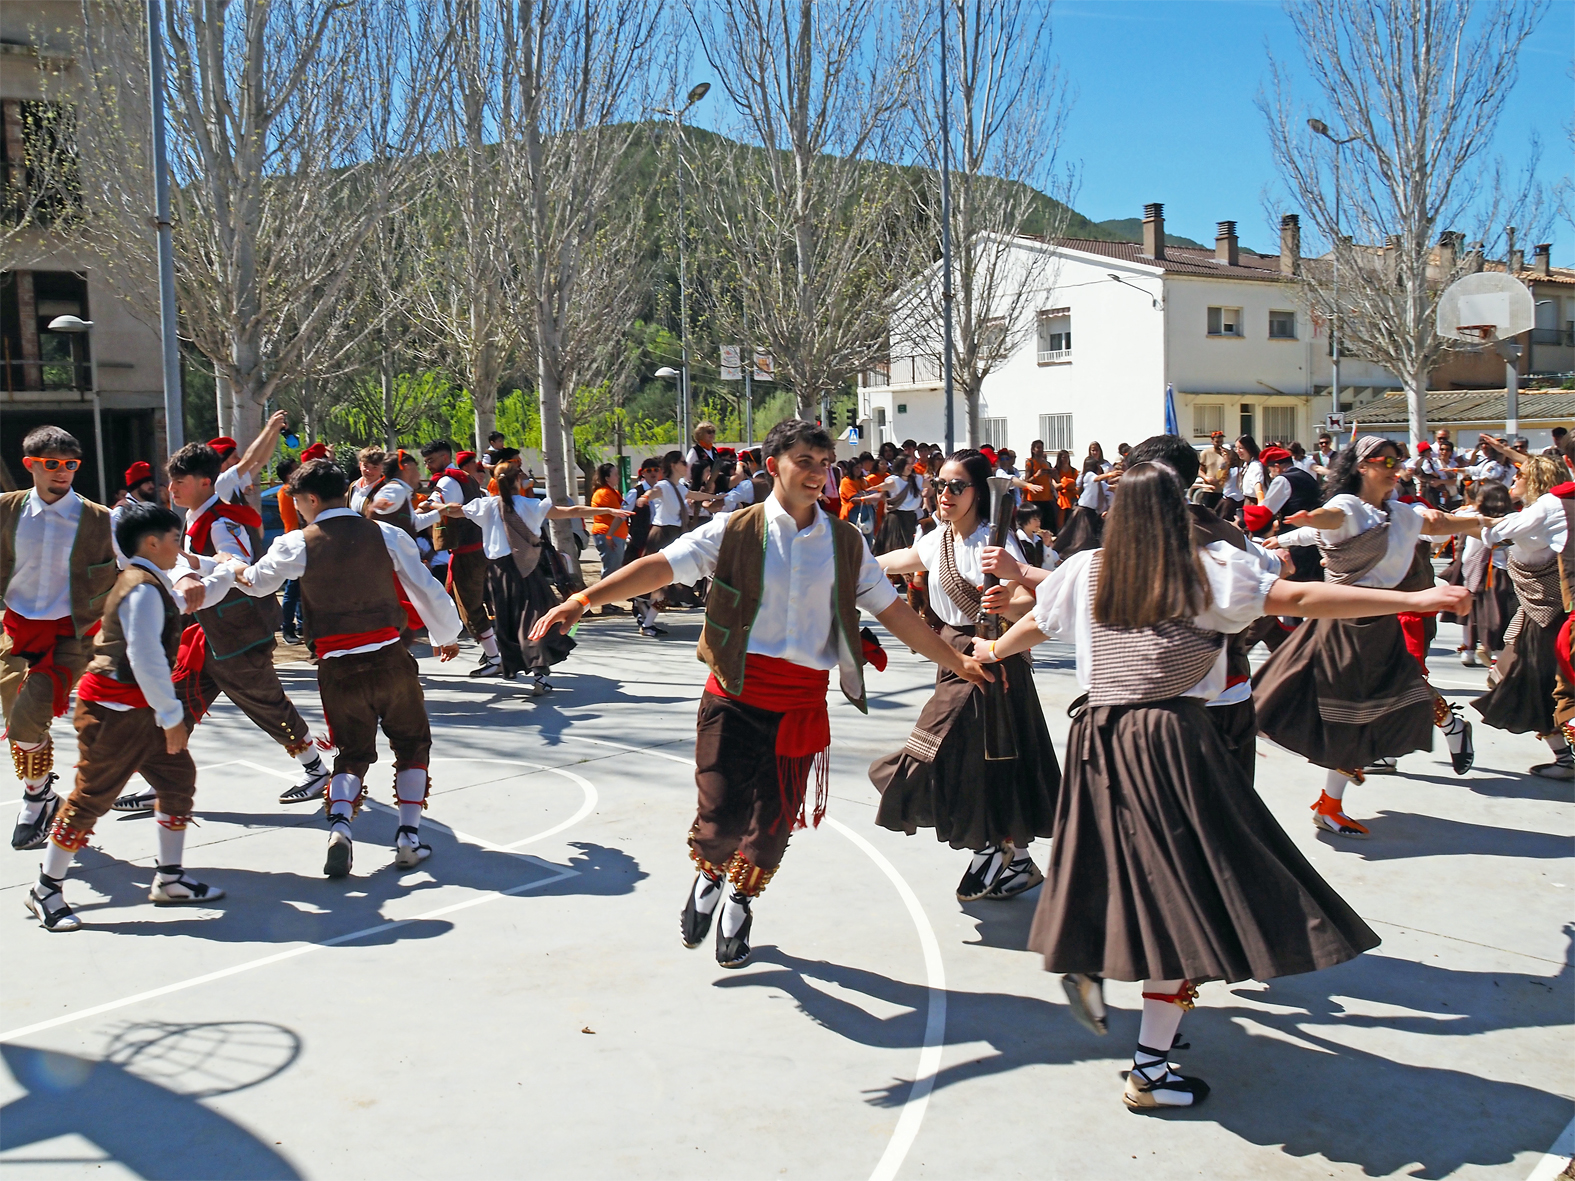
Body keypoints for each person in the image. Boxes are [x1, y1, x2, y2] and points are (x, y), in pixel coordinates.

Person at [971, 460, 1468, 1111]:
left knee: (1118, 869)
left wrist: (990, 651)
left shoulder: (1088, 568)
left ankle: (1093, 963)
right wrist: (1413, 600)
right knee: (1191, 898)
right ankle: (1148, 1069)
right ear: (1176, 509)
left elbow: (1039, 622)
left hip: (1095, 737)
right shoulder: (1203, 567)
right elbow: (1302, 600)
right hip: (1167, 741)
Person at [530, 419, 994, 968]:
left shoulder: (846, 543)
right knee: (721, 821)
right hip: (733, 696)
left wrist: (957, 661)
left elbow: (894, 612)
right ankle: (709, 878)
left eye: (826, 464)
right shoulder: (734, 529)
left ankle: (740, 903)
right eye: (805, 461)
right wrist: (582, 599)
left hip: (799, 705)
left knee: (772, 828)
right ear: (773, 466)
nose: (818, 474)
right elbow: (660, 567)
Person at [225, 459, 463, 877]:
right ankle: (409, 837)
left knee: (351, 754)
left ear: (311, 499)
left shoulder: (297, 543)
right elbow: (423, 585)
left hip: (337, 667)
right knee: (411, 744)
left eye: (297, 501)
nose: (297, 508)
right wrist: (446, 633)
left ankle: (340, 827)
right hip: (389, 658)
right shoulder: (384, 533)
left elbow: (258, 583)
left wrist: (233, 567)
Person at [1254, 436, 1478, 837]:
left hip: (1380, 623)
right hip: (1341, 626)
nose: (1395, 468)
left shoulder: (1401, 514)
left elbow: (1438, 525)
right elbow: (1330, 519)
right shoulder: (1348, 506)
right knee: (1338, 711)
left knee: (1386, 702)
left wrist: (1486, 523)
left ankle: (1335, 800)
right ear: (1361, 466)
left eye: (1398, 461)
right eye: (1386, 461)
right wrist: (1303, 523)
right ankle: (1331, 803)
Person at [25, 503, 231, 931]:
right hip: (116, 712)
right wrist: (171, 716)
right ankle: (45, 889)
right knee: (90, 798)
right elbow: (145, 656)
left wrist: (228, 573)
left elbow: (184, 602)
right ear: (151, 543)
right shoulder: (142, 589)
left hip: (138, 710)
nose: (180, 547)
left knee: (177, 781)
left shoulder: (147, 581)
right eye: (175, 539)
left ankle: (169, 879)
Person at [868, 450, 1061, 900]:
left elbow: (1027, 598)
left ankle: (991, 846)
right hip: (951, 653)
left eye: (957, 486)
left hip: (993, 657)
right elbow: (899, 559)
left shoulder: (996, 542)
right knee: (975, 756)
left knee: (949, 749)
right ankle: (1016, 861)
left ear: (978, 492)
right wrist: (849, 563)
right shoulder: (936, 539)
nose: (945, 494)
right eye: (940, 485)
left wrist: (1007, 603)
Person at [114, 443, 332, 811]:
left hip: (237, 636)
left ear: (205, 482)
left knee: (267, 704)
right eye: (171, 481)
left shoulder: (219, 522)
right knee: (174, 703)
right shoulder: (196, 517)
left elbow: (237, 568)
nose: (171, 488)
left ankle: (316, 770)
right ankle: (160, 781)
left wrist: (197, 579)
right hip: (208, 636)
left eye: (180, 481)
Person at [2, 427, 118, 852]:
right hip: (16, 628)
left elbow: (147, 560)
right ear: (30, 465)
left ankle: (35, 800)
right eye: (52, 464)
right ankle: (43, 793)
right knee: (15, 716)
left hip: (73, 633)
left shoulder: (103, 520)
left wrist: (194, 573)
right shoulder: (6, 510)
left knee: (27, 717)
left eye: (71, 464)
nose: (63, 472)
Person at [446, 460, 625, 694]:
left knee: (509, 622)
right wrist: (606, 511)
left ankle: (511, 662)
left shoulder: (486, 506)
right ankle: (540, 674)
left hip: (499, 574)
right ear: (518, 481)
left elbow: (454, 510)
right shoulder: (529, 505)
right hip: (527, 570)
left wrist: (433, 506)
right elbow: (568, 512)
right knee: (536, 619)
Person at [1471, 449, 1574, 778]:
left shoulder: (1541, 516)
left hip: (1546, 618)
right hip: (1539, 614)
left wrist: (1460, 520)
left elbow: (1493, 533)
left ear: (1537, 481)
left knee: (1532, 687)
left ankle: (1565, 758)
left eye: (1521, 474)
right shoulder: (1546, 513)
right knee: (1521, 683)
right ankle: (1564, 756)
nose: (1513, 478)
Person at [422, 446, 502, 678]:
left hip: (468, 552)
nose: (427, 465)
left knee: (469, 606)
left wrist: (420, 509)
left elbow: (436, 505)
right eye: (425, 461)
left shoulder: (447, 481)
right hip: (475, 549)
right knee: (468, 603)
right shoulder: (463, 478)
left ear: (445, 457)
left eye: (431, 460)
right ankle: (495, 651)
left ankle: (495, 658)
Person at [1455, 482, 1516, 668]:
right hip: (1496, 571)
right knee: (1497, 612)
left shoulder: (1475, 519)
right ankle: (1494, 651)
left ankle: (1471, 649)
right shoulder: (1507, 521)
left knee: (1477, 611)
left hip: (1482, 571)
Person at [1259, 445, 1324, 582]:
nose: (1270, 474)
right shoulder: (1305, 475)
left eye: (1270, 470)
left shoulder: (1282, 480)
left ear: (1277, 467)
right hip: (1314, 533)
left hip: (1295, 537)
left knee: (1298, 579)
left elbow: (1267, 510)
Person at [274, 457, 304, 645]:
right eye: (296, 469)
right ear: (288, 474)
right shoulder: (287, 492)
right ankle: (287, 627)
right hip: (295, 541)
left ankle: (300, 625)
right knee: (292, 589)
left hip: (298, 539)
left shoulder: (288, 491)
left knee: (299, 588)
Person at [110, 461, 161, 567]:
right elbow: (116, 544)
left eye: (151, 482)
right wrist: (136, 565)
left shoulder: (149, 509)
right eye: (146, 483)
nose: (152, 486)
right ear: (136, 487)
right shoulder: (121, 511)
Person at [589, 463, 630, 578]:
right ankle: (605, 589)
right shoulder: (604, 493)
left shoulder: (613, 492)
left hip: (616, 535)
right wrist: (609, 536)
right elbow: (619, 514)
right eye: (615, 474)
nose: (618, 477)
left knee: (616, 568)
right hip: (608, 534)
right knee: (611, 569)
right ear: (607, 478)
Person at [1192, 431, 1229, 512]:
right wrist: (1206, 478)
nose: (1219, 444)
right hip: (1209, 490)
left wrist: (1227, 459)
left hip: (1223, 490)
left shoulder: (1227, 453)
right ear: (1212, 441)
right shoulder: (1206, 453)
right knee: (1209, 512)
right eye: (1217, 442)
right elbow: (1199, 470)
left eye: (1221, 441)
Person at [349, 446, 386, 514]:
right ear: (360, 465)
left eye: (375, 467)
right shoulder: (353, 486)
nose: (369, 471)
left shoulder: (384, 490)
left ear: (382, 468)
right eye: (365, 466)